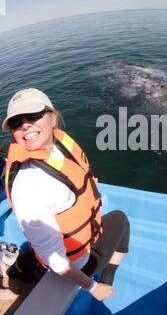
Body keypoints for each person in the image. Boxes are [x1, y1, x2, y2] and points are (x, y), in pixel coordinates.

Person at [1, 88, 130, 302]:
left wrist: (85, 189)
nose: (25, 125)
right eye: (16, 123)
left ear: (52, 118)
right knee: (121, 220)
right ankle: (107, 278)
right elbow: (57, 261)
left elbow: (70, 180)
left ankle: (15, 285)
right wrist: (93, 287)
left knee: (26, 259)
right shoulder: (28, 184)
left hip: (57, 245)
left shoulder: (57, 148)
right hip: (79, 262)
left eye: (33, 116)